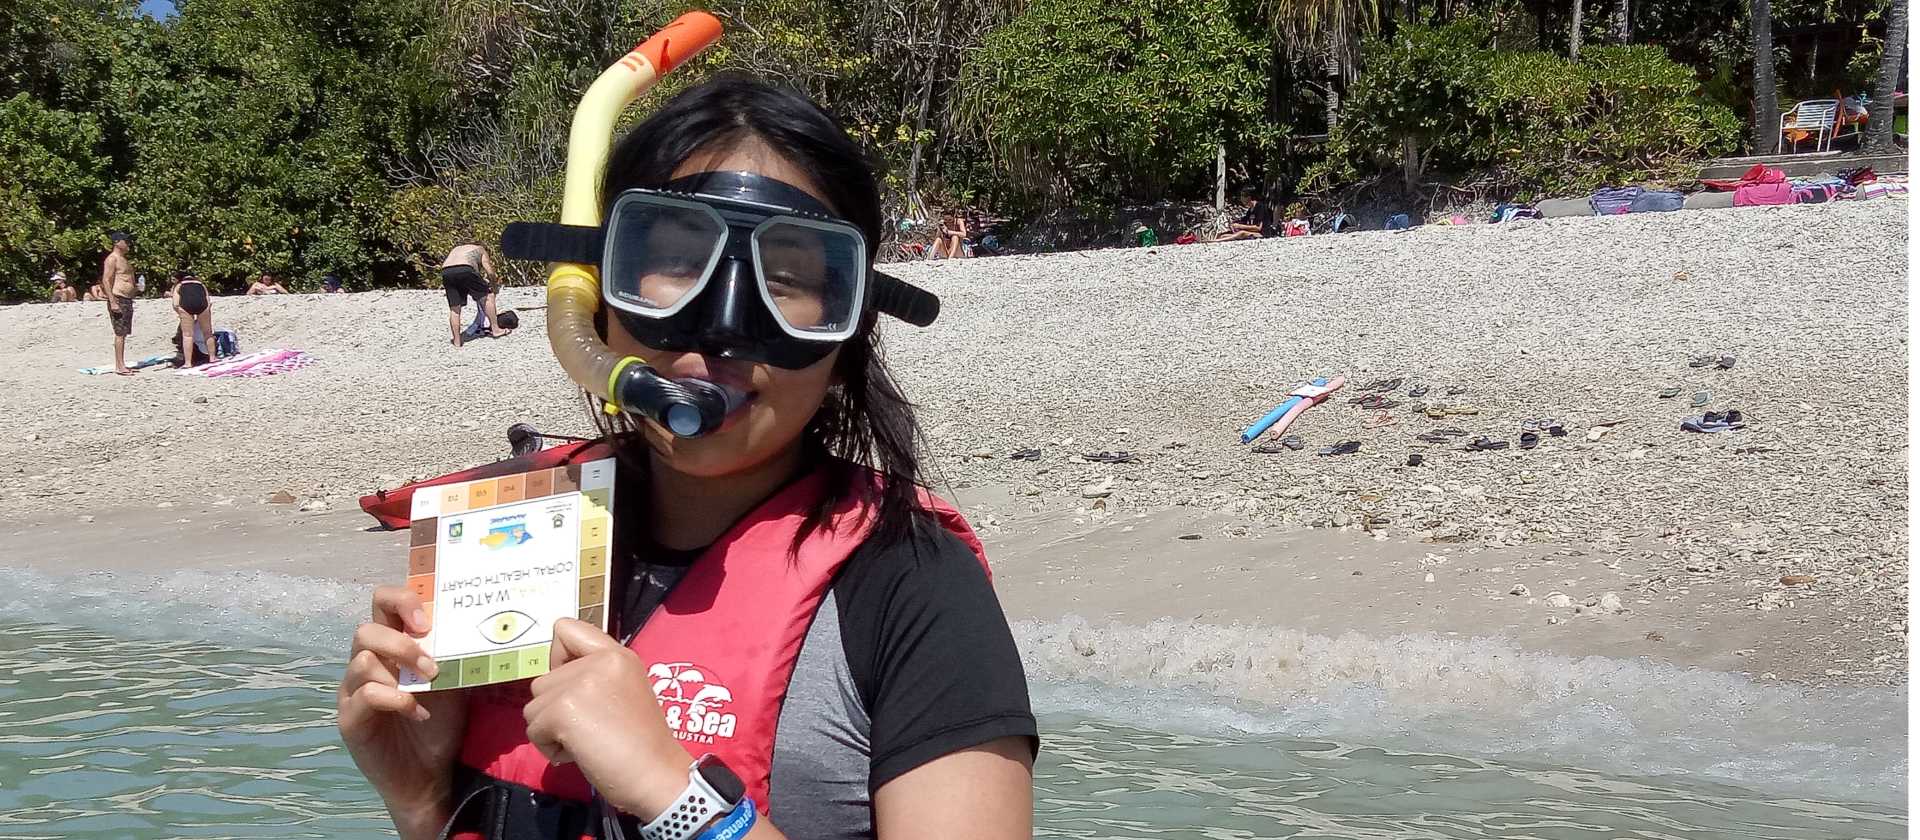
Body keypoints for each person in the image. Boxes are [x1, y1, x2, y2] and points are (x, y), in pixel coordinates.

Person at [338, 77, 1036, 840]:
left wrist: (679, 798)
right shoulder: (514, 535)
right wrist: (419, 800)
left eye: (791, 279)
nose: (720, 330)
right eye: (674, 259)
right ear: (598, 299)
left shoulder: (911, 584)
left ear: (846, 340)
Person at [439, 240, 508, 346]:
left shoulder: (456, 249)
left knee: (455, 308)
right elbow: (489, 271)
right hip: (465, 269)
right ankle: (496, 330)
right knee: (488, 296)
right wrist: (494, 286)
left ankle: (457, 341)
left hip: (446, 271)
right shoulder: (480, 249)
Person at [99, 231, 138, 375]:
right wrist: (112, 301)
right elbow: (106, 280)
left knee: (124, 332)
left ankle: (122, 363)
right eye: (125, 241)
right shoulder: (112, 259)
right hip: (118, 298)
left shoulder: (124, 259)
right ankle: (119, 365)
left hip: (126, 299)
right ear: (117, 242)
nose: (128, 244)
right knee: (120, 333)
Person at [169, 270, 214, 367]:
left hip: (186, 306)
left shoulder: (179, 285)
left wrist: (182, 314)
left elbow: (176, 304)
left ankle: (188, 363)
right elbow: (208, 301)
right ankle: (212, 358)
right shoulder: (200, 284)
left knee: (188, 335)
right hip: (203, 305)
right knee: (208, 333)